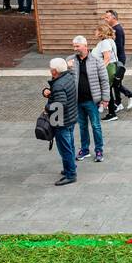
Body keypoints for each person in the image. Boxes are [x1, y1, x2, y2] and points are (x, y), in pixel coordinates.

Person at [69, 36, 109, 163]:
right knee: (82, 127)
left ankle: (99, 150)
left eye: (77, 46)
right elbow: (64, 78)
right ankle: (85, 150)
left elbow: (104, 80)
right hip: (77, 101)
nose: (75, 49)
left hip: (92, 100)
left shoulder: (96, 60)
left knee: (96, 126)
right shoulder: (70, 61)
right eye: (74, 46)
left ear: (85, 46)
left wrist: (105, 98)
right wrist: (67, 67)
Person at [43, 57, 79, 185]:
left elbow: (60, 104)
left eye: (51, 69)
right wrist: (47, 93)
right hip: (71, 118)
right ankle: (70, 167)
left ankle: (70, 174)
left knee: (65, 148)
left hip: (61, 121)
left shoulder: (58, 84)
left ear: (54, 71)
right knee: (70, 145)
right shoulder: (69, 76)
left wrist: (47, 108)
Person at [104, 9, 132, 113]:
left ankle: (131, 95)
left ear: (114, 18)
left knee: (115, 82)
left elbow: (118, 47)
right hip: (116, 59)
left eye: (107, 17)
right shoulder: (113, 29)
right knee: (115, 82)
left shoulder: (117, 30)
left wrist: (113, 60)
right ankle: (118, 103)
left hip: (118, 59)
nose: (105, 19)